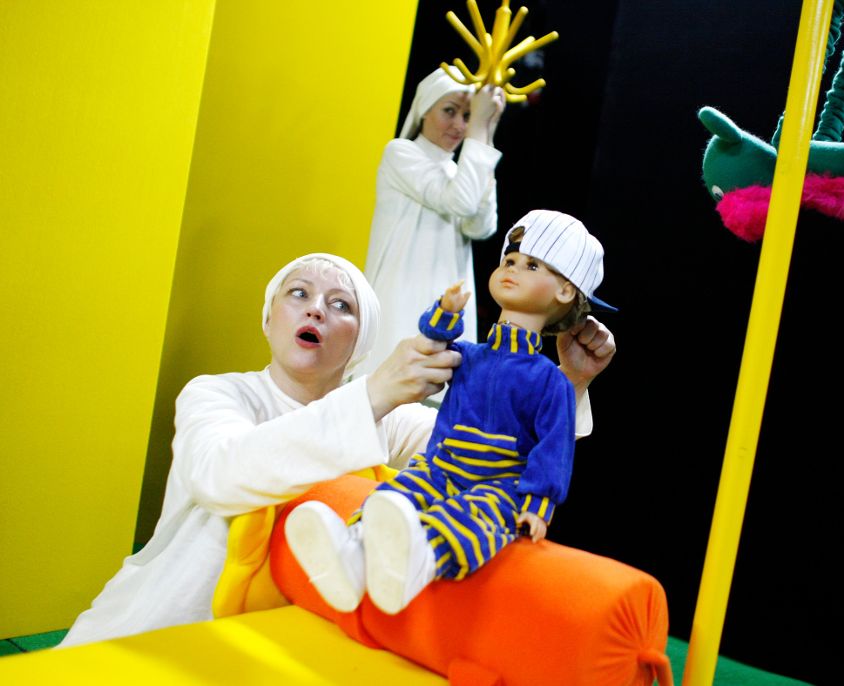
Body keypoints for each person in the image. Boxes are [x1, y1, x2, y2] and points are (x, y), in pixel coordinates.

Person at [59, 251, 614, 646]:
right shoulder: (218, 394)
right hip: (150, 633)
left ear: (359, 342)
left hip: (273, 650)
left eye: (341, 305)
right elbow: (220, 474)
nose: (316, 310)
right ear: (270, 317)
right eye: (298, 294)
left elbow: (499, 457)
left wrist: (569, 383)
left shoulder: (388, 421)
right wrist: (375, 393)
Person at [286, 211, 616, 615]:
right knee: (398, 494)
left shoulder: (551, 381)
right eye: (510, 260)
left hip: (498, 484)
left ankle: (418, 563)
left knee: (474, 516)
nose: (513, 269)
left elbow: (553, 450)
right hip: (440, 465)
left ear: (565, 290)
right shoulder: (471, 356)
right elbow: (435, 345)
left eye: (532, 265)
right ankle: (351, 551)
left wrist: (537, 506)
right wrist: (444, 313)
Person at [362, 68, 506, 379]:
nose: (459, 125)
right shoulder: (401, 152)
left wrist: (486, 131)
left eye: (468, 116)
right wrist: (477, 135)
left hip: (447, 295)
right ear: (425, 108)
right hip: (402, 290)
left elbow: (481, 227)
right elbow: (461, 202)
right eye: (449, 111)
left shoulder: (460, 172)